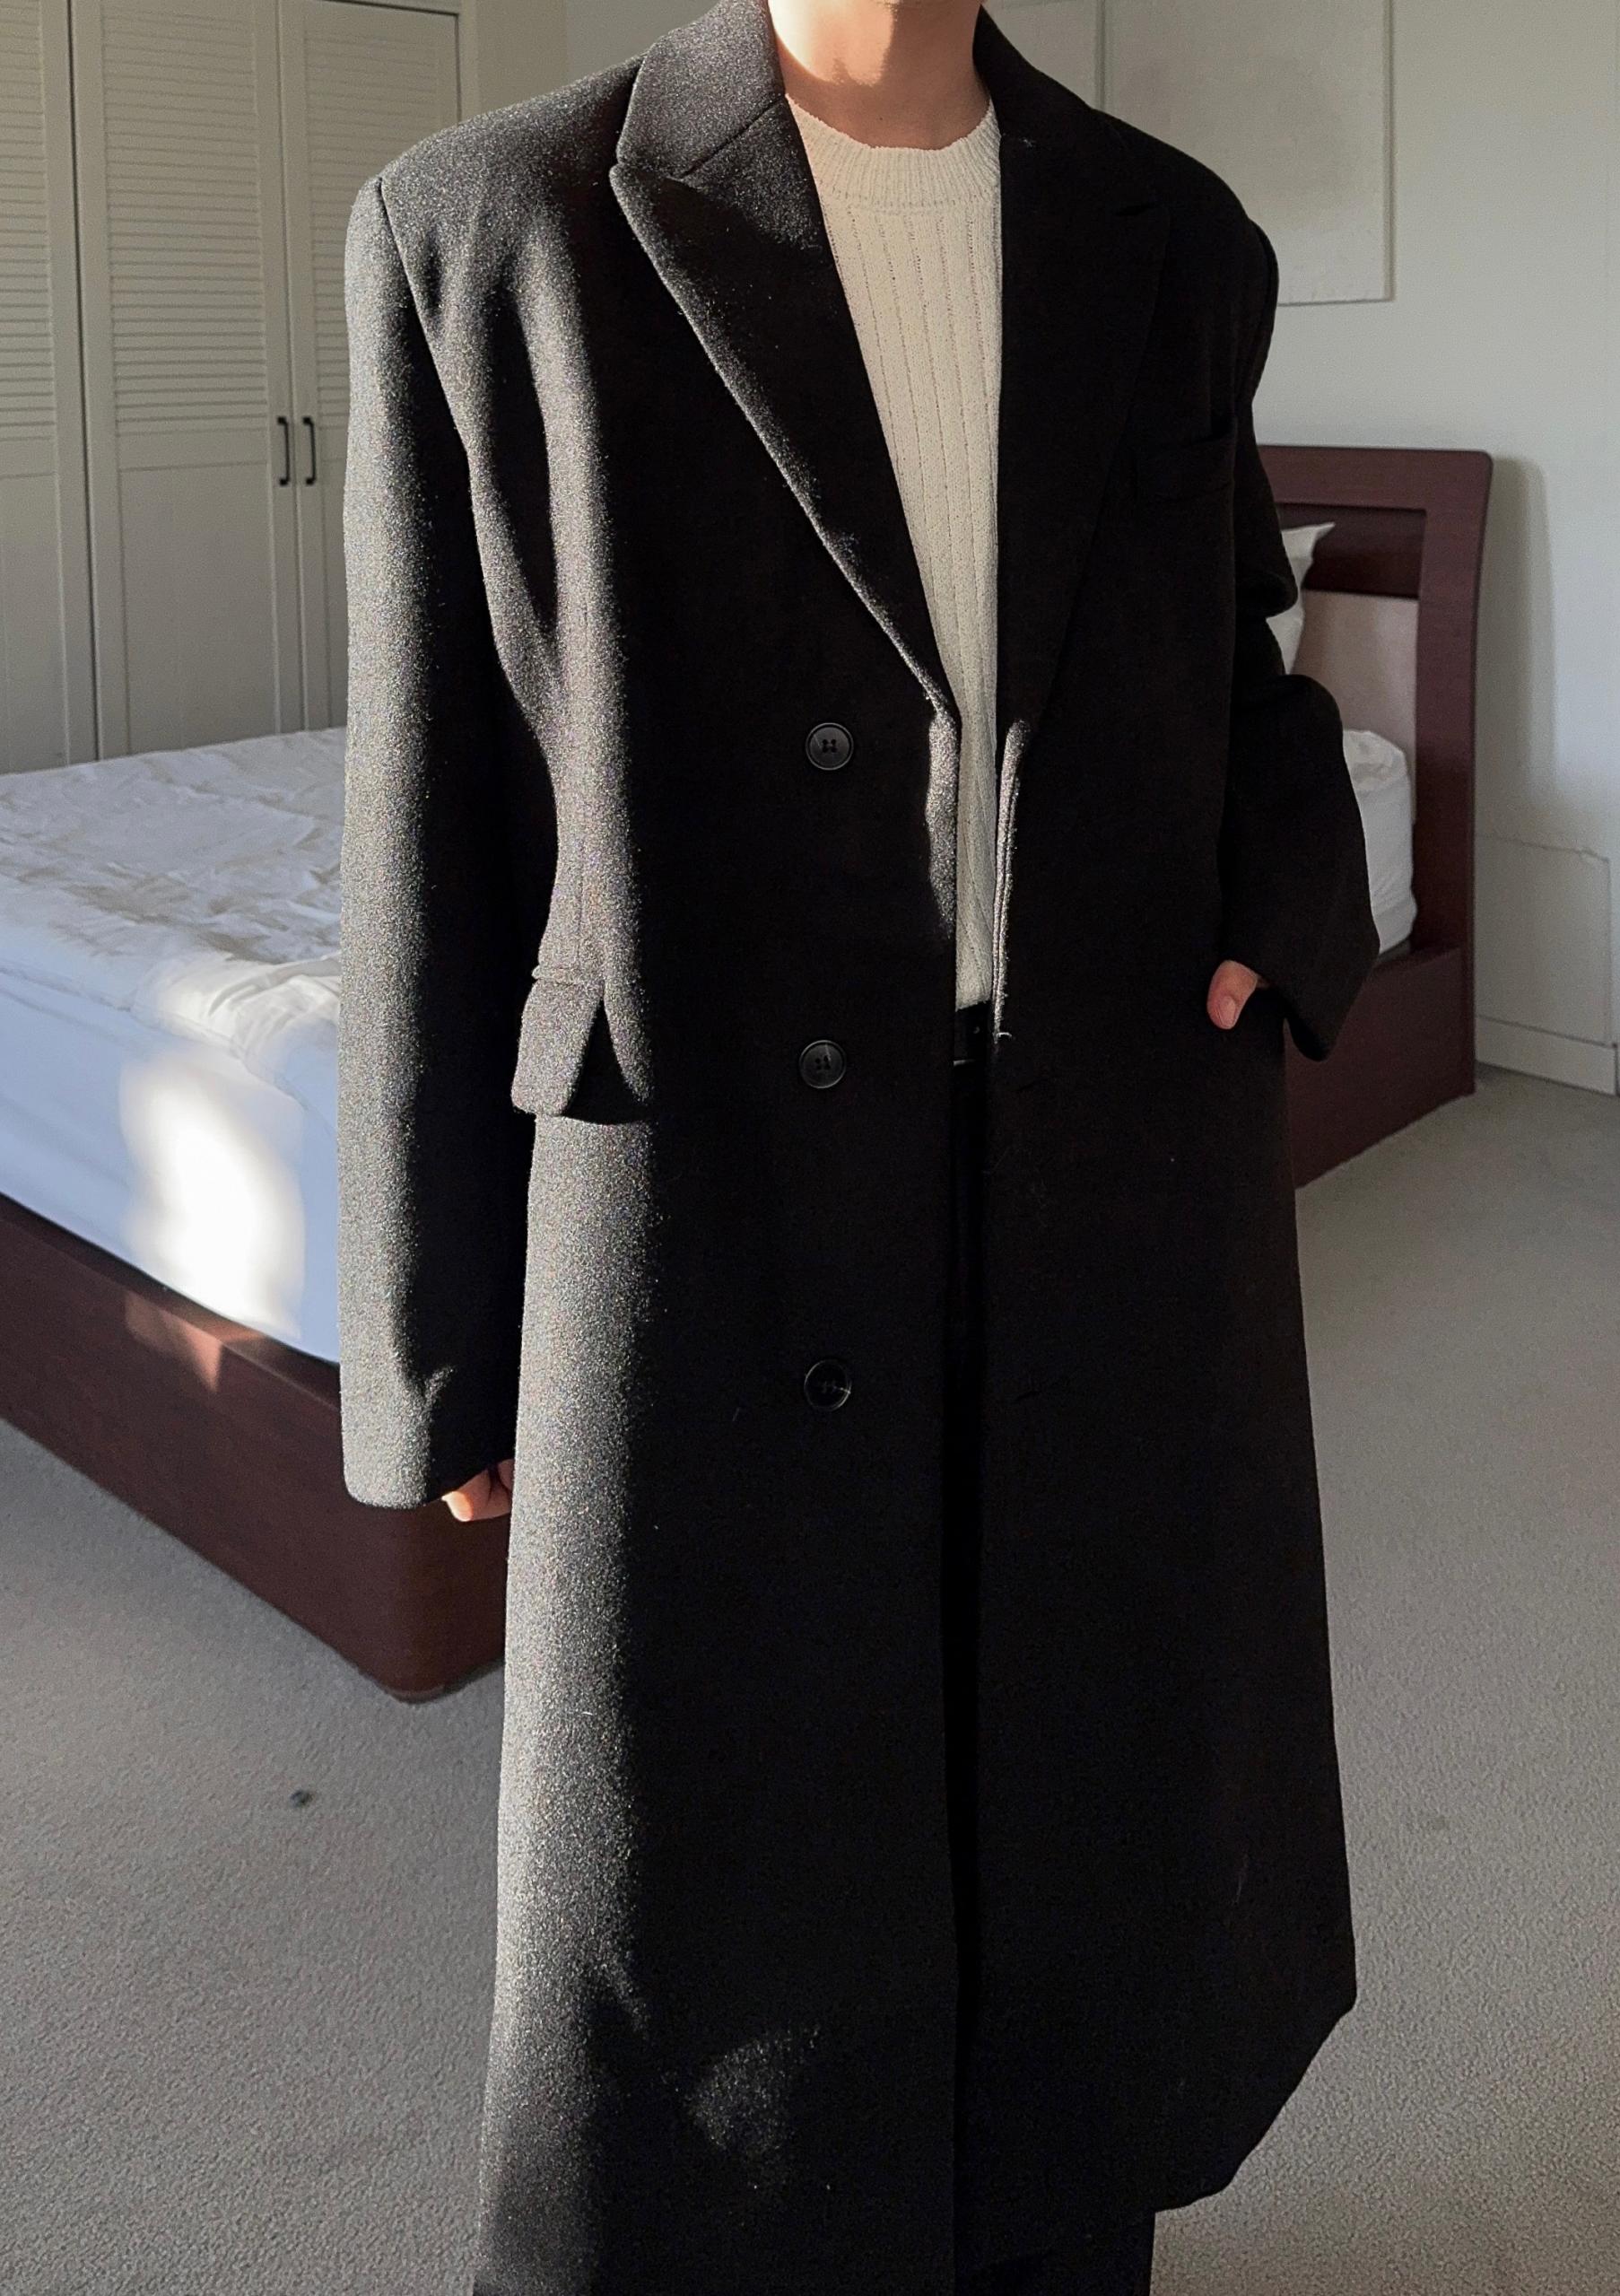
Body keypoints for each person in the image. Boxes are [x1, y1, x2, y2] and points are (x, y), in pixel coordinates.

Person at [335, 0, 1379, 2290]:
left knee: (1086, 1804)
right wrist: (441, 1324)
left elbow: (1243, 656)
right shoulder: (491, 226)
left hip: (1105, 1157)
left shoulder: (1174, 238)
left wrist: (1293, 896)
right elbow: (435, 806)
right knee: (710, 1873)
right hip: (699, 1188)